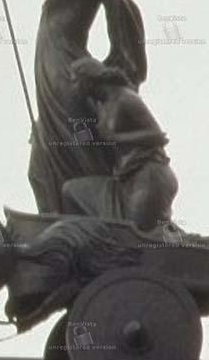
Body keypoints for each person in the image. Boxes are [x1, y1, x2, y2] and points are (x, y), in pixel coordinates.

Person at [0, 0, 147, 214]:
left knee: (78, 144)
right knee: (42, 158)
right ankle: (57, 217)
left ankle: (102, 214)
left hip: (67, 75)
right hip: (52, 74)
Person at [62, 57, 178, 230]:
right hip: (124, 182)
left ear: (88, 79)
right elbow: (89, 143)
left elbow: (157, 136)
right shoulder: (102, 106)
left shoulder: (126, 98)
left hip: (149, 178)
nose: (73, 88)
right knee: (71, 191)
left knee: (133, 235)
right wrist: (75, 121)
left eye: (75, 82)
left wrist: (118, 138)